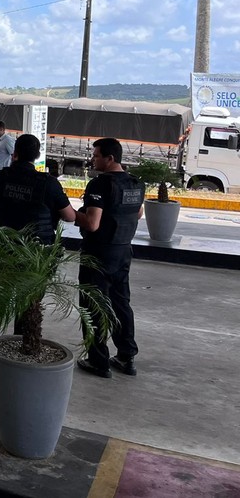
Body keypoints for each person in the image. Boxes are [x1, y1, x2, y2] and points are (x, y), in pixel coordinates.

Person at [0, 134, 76, 361]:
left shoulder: (1, 177)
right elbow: (70, 216)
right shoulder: (48, 183)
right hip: (37, 251)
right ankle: (22, 344)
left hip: (5, 245)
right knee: (29, 299)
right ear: (37, 155)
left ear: (14, 154)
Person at [74, 137, 144, 379]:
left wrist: (73, 214)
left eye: (96, 155)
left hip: (99, 253)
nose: (93, 159)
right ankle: (126, 357)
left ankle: (98, 361)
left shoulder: (100, 184)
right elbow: (138, 213)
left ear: (109, 158)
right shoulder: (135, 183)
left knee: (93, 306)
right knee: (121, 303)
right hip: (123, 251)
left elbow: (92, 224)